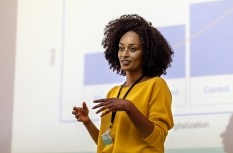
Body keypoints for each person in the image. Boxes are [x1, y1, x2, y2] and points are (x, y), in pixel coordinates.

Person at [72, 14, 174, 153]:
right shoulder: (113, 92)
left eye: (132, 49)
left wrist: (128, 107)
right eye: (121, 48)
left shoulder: (156, 85)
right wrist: (87, 122)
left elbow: (157, 138)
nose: (124, 54)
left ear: (147, 54)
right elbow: (106, 144)